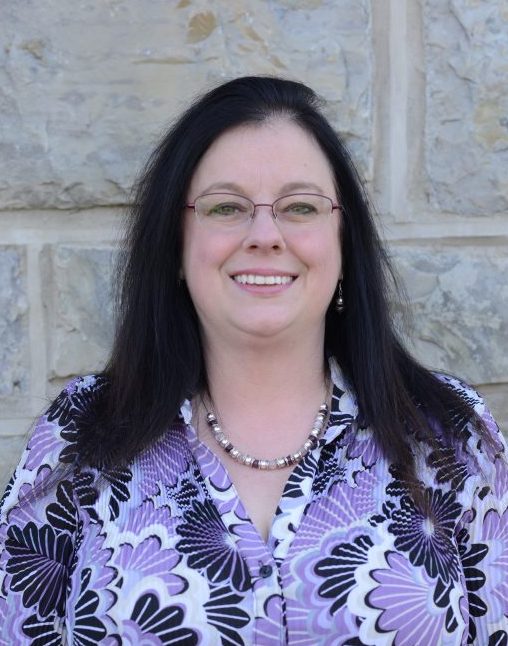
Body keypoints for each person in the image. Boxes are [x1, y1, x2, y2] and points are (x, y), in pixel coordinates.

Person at [0, 76, 506, 645]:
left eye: (299, 207)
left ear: (343, 243)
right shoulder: (80, 438)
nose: (265, 234)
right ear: (176, 243)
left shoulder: (448, 436)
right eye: (225, 207)